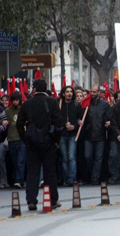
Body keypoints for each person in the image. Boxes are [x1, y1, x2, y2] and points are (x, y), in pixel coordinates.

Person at [16, 79, 64, 211]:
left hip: (32, 142)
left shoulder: (27, 104)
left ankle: (31, 200)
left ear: (34, 89)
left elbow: (19, 124)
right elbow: (59, 123)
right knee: (50, 172)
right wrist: (55, 139)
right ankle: (52, 200)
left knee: (32, 172)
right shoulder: (53, 102)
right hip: (49, 142)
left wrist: (25, 139)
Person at [82, 84, 111, 185]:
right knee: (88, 156)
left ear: (99, 93)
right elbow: (81, 117)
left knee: (99, 158)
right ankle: (90, 175)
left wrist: (108, 123)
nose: (92, 94)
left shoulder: (104, 105)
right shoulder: (86, 104)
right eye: (91, 92)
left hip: (100, 135)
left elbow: (108, 117)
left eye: (94, 92)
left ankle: (95, 178)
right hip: (88, 135)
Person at [59, 85, 83, 186]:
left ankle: (72, 178)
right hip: (62, 134)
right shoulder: (59, 105)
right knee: (64, 158)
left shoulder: (76, 105)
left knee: (71, 157)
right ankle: (65, 178)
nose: (69, 93)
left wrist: (75, 126)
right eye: (67, 92)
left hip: (73, 134)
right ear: (63, 94)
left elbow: (80, 120)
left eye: (70, 92)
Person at [6, 91, 26, 188]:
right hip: (11, 139)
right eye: (13, 100)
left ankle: (19, 180)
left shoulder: (23, 110)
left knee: (20, 161)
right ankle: (16, 179)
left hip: (21, 139)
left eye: (17, 100)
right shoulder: (7, 111)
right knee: (14, 161)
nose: (15, 102)